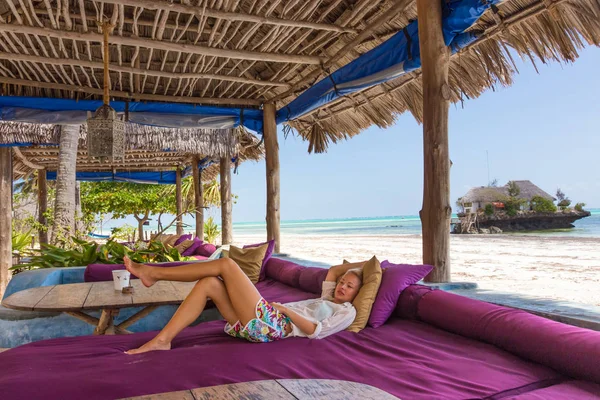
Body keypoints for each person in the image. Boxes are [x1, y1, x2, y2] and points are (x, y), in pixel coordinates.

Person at [123, 255, 364, 354]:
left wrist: (285, 310)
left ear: (358, 293)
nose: (342, 286)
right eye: (342, 283)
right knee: (209, 282)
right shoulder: (327, 298)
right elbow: (334, 270)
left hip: (276, 325)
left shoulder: (346, 312)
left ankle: (155, 274)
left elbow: (316, 332)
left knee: (226, 264)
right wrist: (372, 264)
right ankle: (162, 341)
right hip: (261, 323)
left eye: (349, 286)